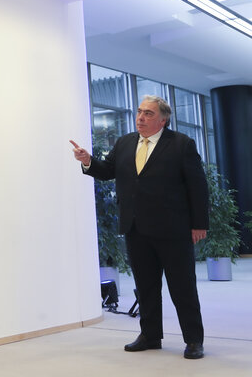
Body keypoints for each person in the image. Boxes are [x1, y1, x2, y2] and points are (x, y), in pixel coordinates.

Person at [71, 95, 209, 360]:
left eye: (148, 113)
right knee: (146, 287)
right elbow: (106, 170)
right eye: (139, 112)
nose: (140, 118)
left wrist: (199, 224)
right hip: (136, 228)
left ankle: (193, 341)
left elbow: (197, 187)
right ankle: (150, 335)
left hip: (173, 230)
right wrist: (87, 160)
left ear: (162, 119)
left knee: (183, 288)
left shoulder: (182, 144)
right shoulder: (125, 143)